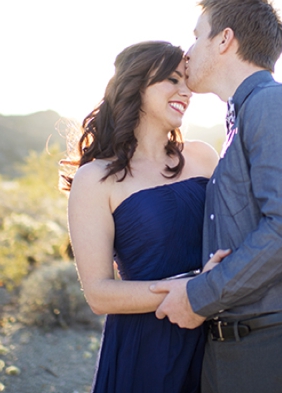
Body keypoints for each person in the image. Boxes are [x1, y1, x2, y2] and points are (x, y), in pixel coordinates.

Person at [150, 0, 282, 392]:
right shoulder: (241, 120)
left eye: (197, 36)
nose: (187, 52)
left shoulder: (274, 104)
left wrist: (198, 296)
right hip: (246, 352)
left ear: (224, 40)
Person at [61, 41, 225, 393]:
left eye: (187, 82)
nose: (186, 91)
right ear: (136, 86)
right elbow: (99, 295)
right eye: (171, 80)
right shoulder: (95, 179)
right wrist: (194, 291)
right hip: (147, 348)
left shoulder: (204, 157)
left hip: (217, 341)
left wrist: (208, 295)